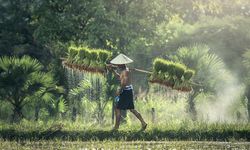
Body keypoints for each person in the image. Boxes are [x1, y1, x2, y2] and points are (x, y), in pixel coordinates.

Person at [107, 54, 147, 131]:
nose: (117, 65)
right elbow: (120, 78)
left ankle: (116, 127)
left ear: (121, 64)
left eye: (118, 64)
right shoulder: (125, 70)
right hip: (128, 90)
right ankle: (143, 123)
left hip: (125, 91)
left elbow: (124, 83)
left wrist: (119, 90)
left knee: (117, 108)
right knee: (131, 109)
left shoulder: (125, 72)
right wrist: (113, 71)